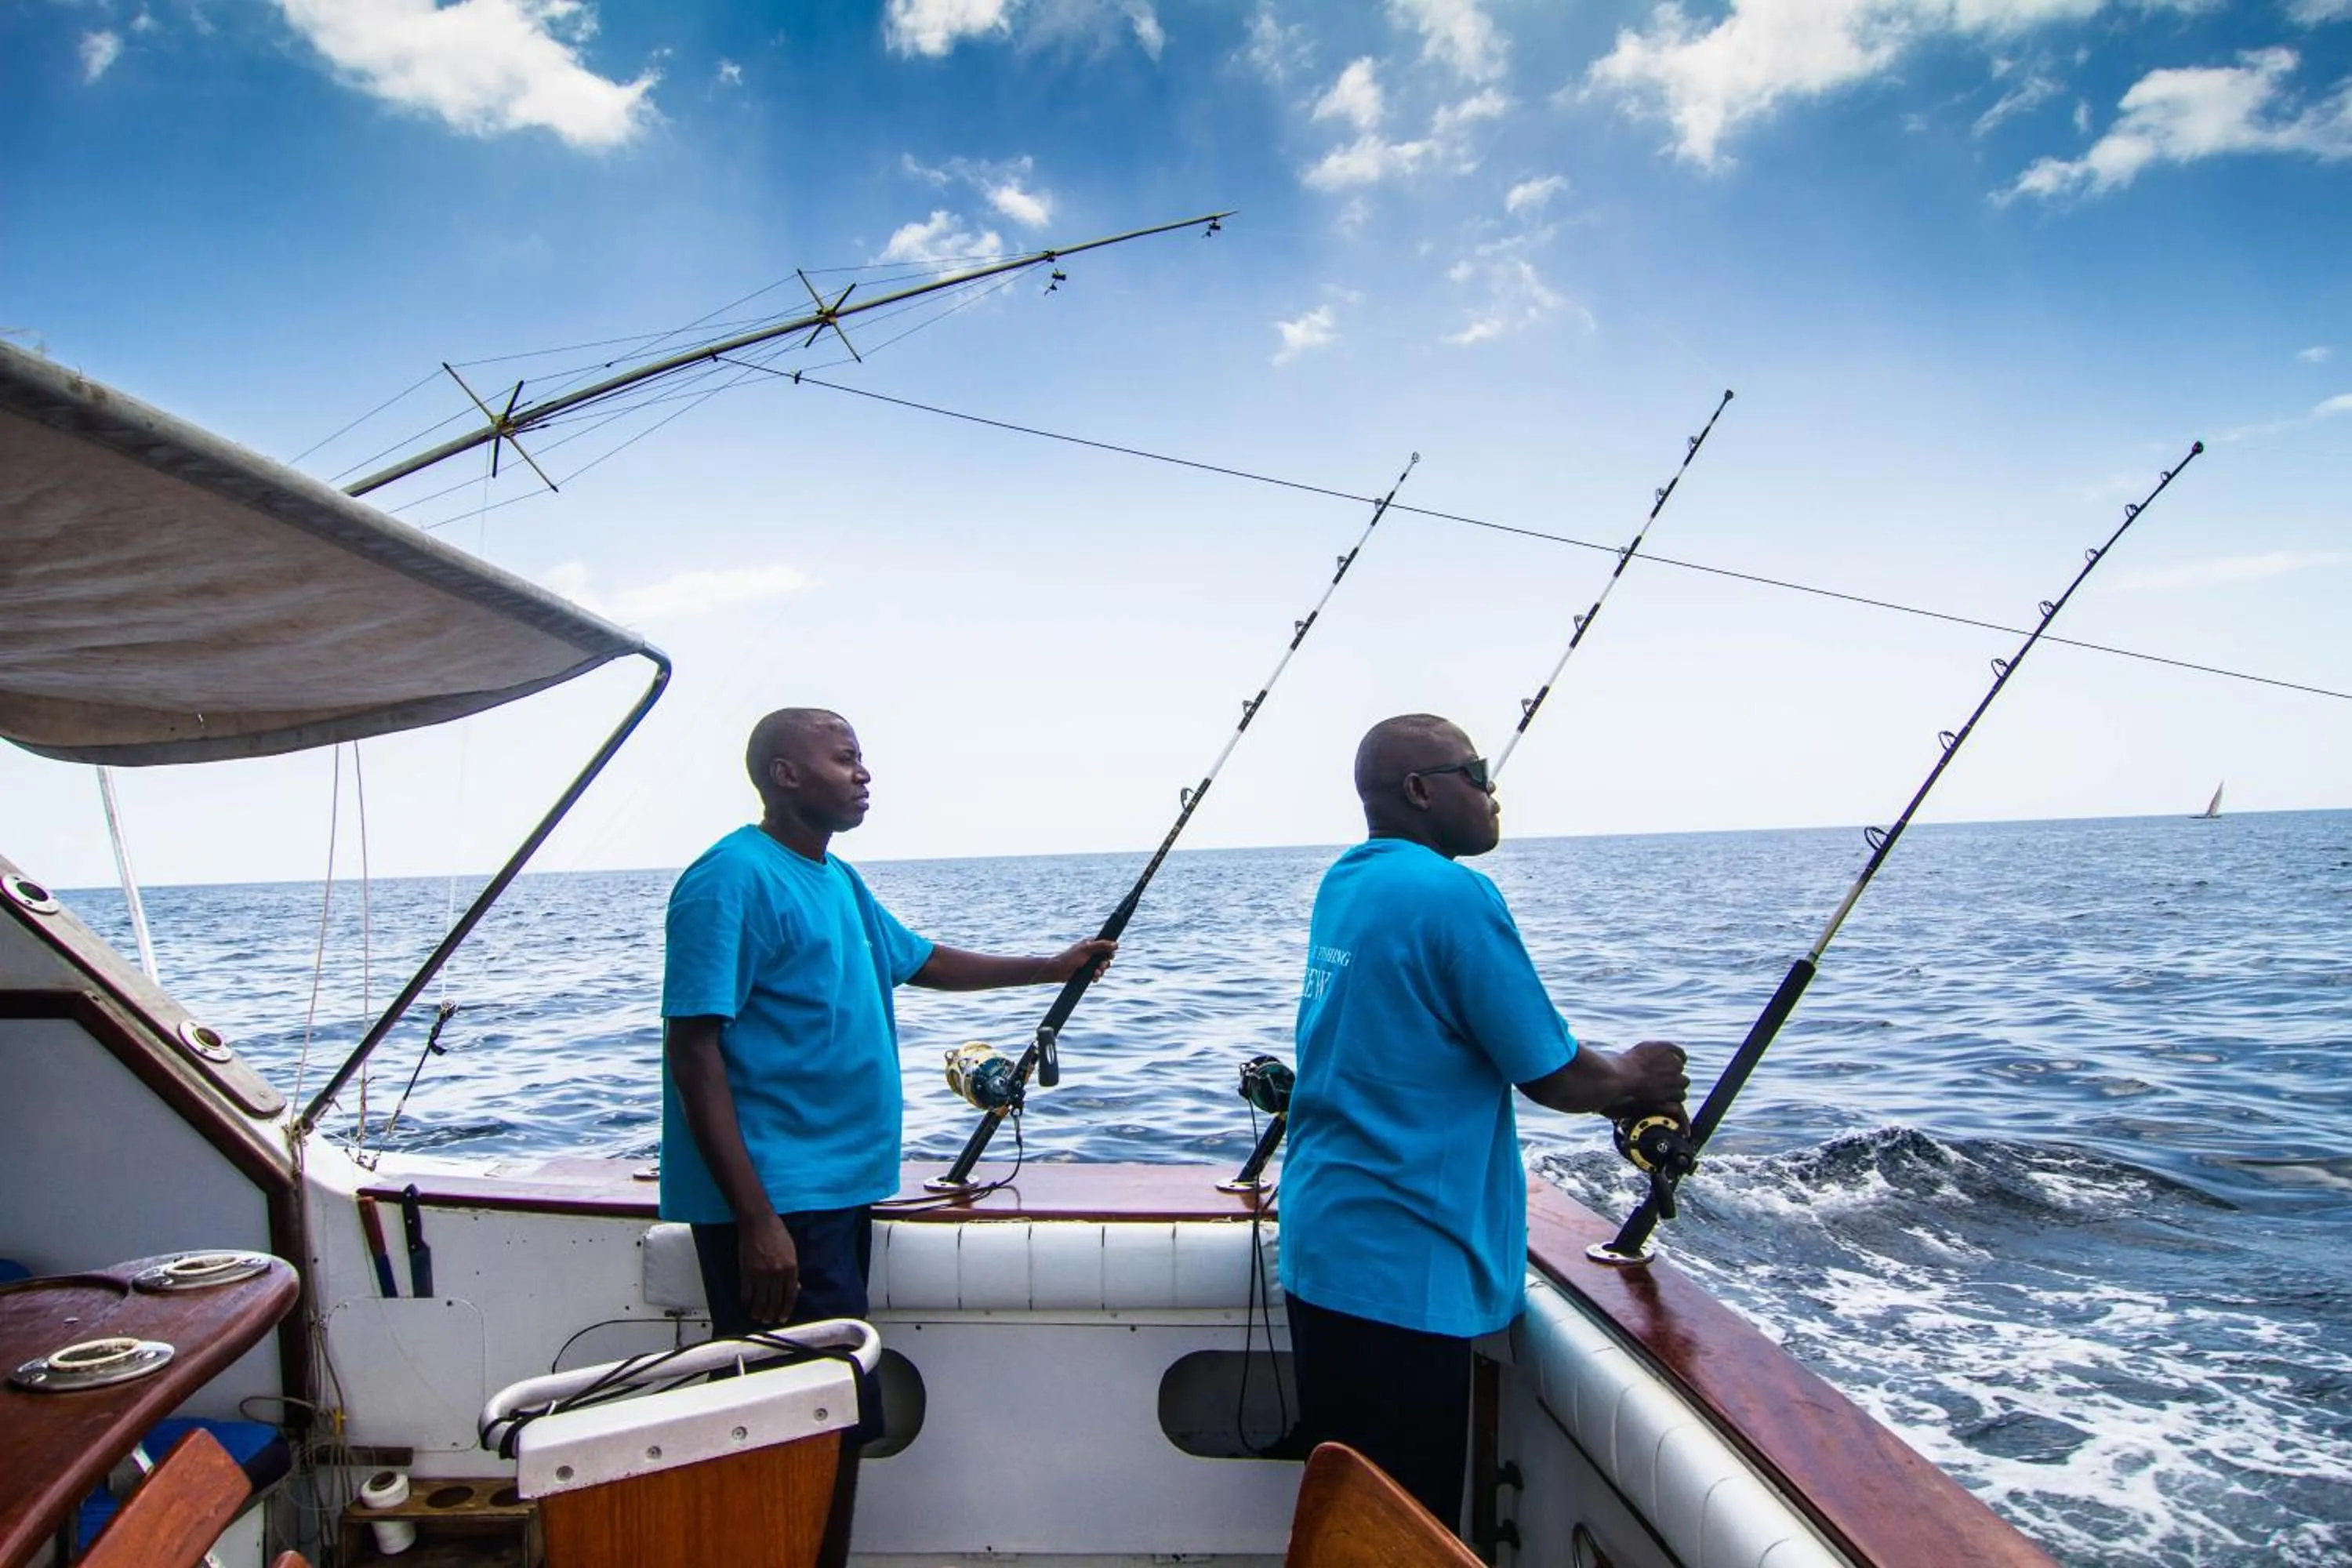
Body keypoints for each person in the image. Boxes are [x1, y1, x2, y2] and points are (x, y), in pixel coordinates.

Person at [661, 706, 1113, 1568]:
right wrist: (756, 1220)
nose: (864, 772)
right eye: (846, 758)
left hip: (832, 1194)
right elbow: (694, 1049)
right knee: (790, 1431)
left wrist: (1051, 966)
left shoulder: (834, 877)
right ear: (786, 774)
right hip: (779, 1207)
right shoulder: (729, 879)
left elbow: (922, 959)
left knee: (827, 1419)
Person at [1279, 713, 1690, 1531]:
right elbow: (1556, 1072)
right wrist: (1645, 1074)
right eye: (1475, 770)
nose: (1492, 789)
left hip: (1325, 1247)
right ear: (1421, 789)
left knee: (1351, 1516)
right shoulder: (1453, 894)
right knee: (1406, 1530)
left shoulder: (1349, 881)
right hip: (1405, 1266)